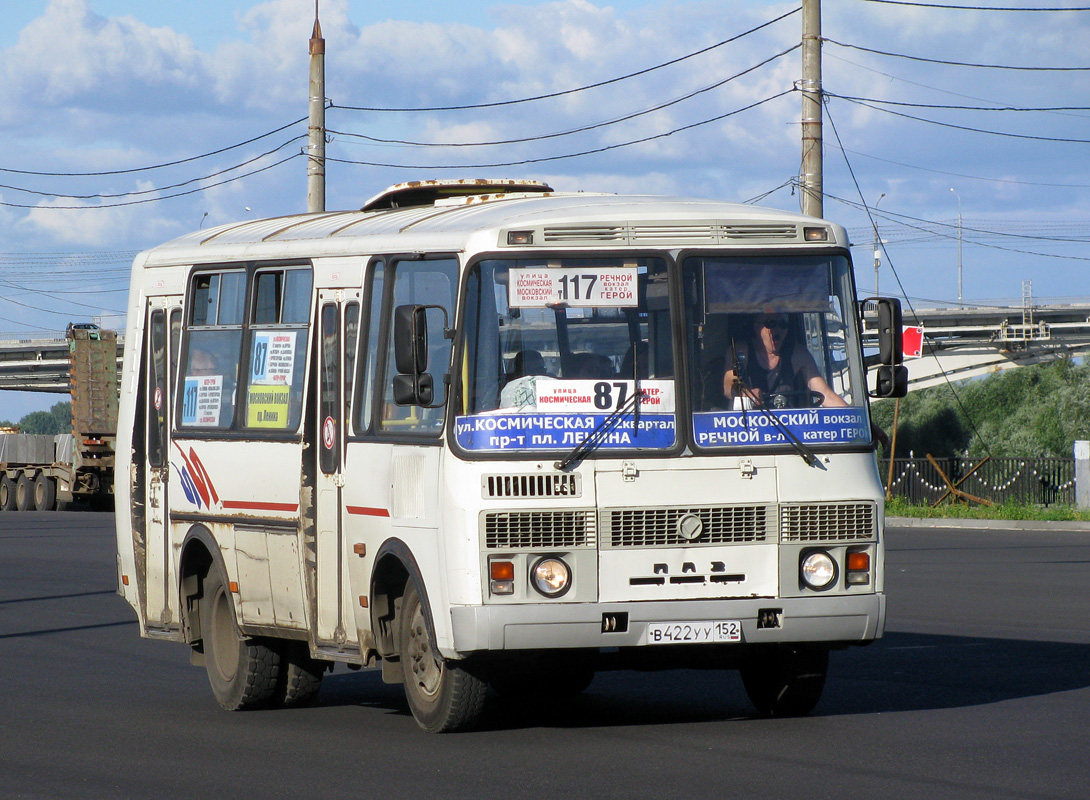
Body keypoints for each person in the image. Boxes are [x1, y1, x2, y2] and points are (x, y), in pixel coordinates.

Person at [723, 312, 847, 409]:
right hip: (750, 430)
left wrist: (855, 420)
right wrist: (745, 393)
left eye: (783, 324)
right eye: (771, 324)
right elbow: (729, 386)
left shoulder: (798, 354)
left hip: (788, 431)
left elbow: (826, 395)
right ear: (757, 327)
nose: (777, 330)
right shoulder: (740, 351)